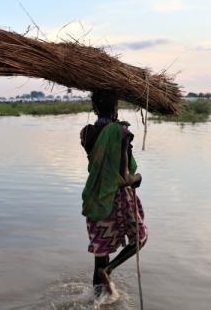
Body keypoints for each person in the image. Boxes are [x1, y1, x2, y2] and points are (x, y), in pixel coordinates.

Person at [80, 90, 148, 297]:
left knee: (101, 253)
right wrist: (139, 178)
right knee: (141, 238)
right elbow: (125, 177)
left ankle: (96, 301)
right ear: (116, 108)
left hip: (96, 197)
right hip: (118, 199)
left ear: (94, 108)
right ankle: (109, 270)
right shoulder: (121, 133)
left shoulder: (86, 133)